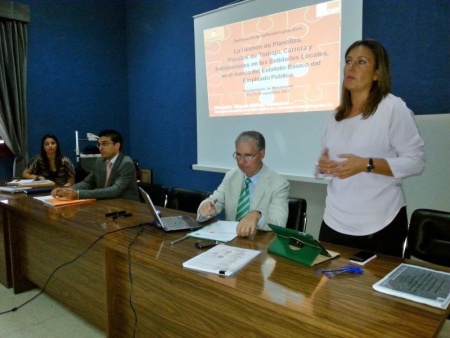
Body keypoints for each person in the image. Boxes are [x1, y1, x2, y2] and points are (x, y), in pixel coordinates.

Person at [315, 39, 425, 257]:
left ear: (377, 73)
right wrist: (324, 167)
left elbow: (416, 162)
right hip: (334, 221)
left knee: (372, 291)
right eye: (348, 61)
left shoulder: (393, 108)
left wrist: (367, 164)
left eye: (361, 62)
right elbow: (331, 165)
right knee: (330, 289)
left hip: (380, 223)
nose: (351, 67)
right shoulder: (334, 117)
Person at [197, 131, 290, 238]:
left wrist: (257, 215)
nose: (241, 162)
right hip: (230, 240)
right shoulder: (231, 176)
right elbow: (215, 201)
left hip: (259, 242)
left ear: (262, 154)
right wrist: (205, 208)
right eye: (238, 155)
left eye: (248, 156)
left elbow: (279, 223)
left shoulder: (279, 184)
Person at [51, 129, 139, 201]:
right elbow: (88, 182)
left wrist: (78, 194)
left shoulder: (126, 164)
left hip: (126, 206)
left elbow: (115, 190)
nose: (100, 148)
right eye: (99, 144)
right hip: (106, 203)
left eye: (105, 144)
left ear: (117, 145)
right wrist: (67, 190)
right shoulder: (99, 161)